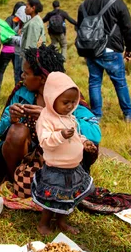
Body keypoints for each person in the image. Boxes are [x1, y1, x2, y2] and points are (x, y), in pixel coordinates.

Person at [0, 45, 101, 197]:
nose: (22, 76)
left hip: (59, 161)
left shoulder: (67, 96)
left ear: (41, 78)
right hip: (26, 159)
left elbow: (94, 133)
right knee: (17, 131)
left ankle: (56, 186)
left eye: (26, 73)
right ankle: (16, 181)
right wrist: (11, 119)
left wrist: (50, 117)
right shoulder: (22, 93)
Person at [32, 72, 96, 235]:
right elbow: (45, 141)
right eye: (65, 102)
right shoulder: (46, 118)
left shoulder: (68, 116)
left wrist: (84, 142)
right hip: (56, 170)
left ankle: (61, 221)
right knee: (52, 198)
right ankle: (44, 223)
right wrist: (60, 135)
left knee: (67, 198)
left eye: (73, 102)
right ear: (52, 99)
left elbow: (76, 135)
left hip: (73, 168)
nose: (70, 106)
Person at [77, 0, 131, 122]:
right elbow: (127, 28)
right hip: (111, 49)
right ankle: (128, 114)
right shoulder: (117, 3)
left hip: (91, 49)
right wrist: (129, 48)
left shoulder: (84, 4)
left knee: (94, 82)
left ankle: (96, 116)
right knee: (120, 82)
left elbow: (79, 27)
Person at [0, 1, 25, 92]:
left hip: (7, 49)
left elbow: (3, 32)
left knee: (0, 71)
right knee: (17, 72)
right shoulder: (24, 21)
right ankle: (17, 89)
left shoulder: (9, 19)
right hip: (17, 49)